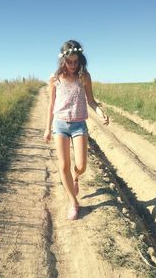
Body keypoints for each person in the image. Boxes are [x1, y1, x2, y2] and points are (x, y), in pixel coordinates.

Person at [44, 40, 109, 220]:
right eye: (69, 62)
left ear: (81, 59)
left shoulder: (84, 77)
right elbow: (51, 105)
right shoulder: (55, 79)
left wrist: (100, 112)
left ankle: (76, 176)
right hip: (60, 125)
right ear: (63, 61)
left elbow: (91, 101)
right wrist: (47, 129)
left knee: (81, 166)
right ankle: (74, 202)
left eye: (76, 61)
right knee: (63, 165)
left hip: (79, 124)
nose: (73, 65)